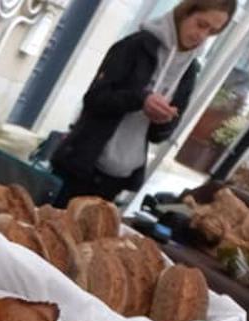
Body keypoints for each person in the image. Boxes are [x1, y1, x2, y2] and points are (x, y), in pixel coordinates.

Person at [51, 0, 236, 205]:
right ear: (185, 13)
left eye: (212, 32)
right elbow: (95, 98)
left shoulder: (189, 71)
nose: (202, 36)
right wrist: (141, 99)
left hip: (119, 177)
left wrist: (163, 120)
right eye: (201, 24)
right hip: (81, 166)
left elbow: (161, 135)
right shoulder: (135, 45)